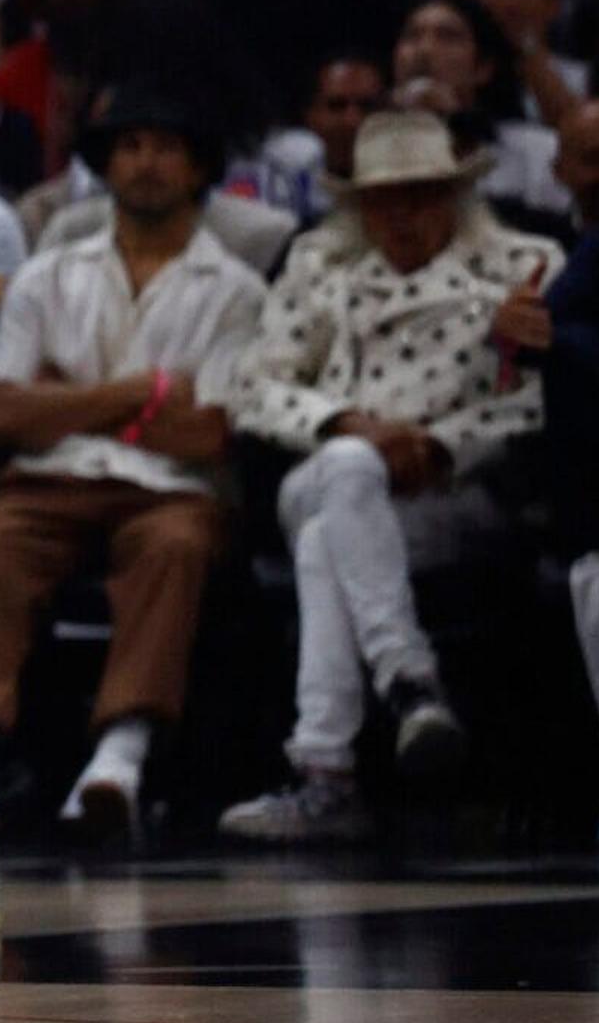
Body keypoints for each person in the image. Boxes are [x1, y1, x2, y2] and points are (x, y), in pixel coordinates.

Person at [217, 111, 558, 843]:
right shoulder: (320, 266)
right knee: (344, 475)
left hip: (450, 492)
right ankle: (410, 681)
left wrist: (440, 445)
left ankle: (325, 772)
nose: (402, 215)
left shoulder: (519, 267)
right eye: (384, 199)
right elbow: (254, 384)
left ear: (454, 196)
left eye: (422, 195)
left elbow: (538, 394)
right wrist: (346, 424)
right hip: (326, 459)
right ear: (358, 205)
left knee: (322, 546)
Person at [0, 86, 266, 838]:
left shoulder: (239, 290)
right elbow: (2, 415)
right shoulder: (47, 273)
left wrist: (67, 400)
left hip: (174, 489)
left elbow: (209, 435)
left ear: (199, 169)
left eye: (165, 147)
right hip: (49, 479)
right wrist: (140, 395)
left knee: (175, 546)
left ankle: (120, 758)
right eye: (129, 147)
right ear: (106, 165)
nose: (146, 162)